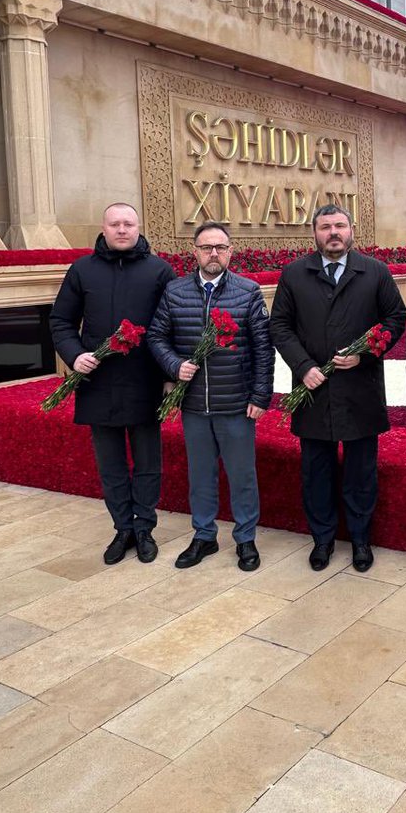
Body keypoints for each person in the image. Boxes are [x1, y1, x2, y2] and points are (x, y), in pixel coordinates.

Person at [270, 204, 406, 572]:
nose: (333, 232)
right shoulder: (294, 274)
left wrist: (366, 354)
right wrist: (303, 366)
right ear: (314, 233)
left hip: (360, 390)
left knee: (361, 472)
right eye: (325, 226)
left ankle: (361, 540)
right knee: (316, 472)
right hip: (313, 391)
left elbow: (395, 318)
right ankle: (323, 539)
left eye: (340, 226)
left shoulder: (375, 272)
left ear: (351, 230)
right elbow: (279, 325)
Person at [50, 203, 175, 566]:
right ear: (103, 228)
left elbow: (173, 325)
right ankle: (123, 529)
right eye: (115, 224)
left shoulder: (159, 270)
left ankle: (144, 528)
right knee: (111, 465)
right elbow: (61, 321)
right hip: (99, 381)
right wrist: (75, 356)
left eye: (128, 224)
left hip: (145, 380)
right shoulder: (82, 270)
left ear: (139, 227)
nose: (122, 229)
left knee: (148, 462)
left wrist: (169, 376)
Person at [147, 221, 274, 570]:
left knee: (242, 477)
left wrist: (260, 396)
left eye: (220, 247)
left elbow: (263, 349)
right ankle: (204, 536)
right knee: (201, 477)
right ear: (195, 252)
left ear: (230, 252)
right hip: (194, 406)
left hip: (236, 405)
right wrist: (175, 365)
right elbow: (156, 337)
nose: (213, 253)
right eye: (206, 247)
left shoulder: (248, 292)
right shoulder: (175, 291)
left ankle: (245, 539)